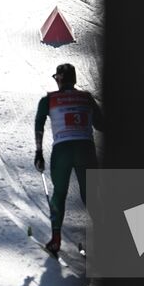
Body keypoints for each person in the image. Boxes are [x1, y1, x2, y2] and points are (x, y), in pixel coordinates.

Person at [34, 63, 103, 256]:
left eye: (56, 78)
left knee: (59, 194)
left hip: (62, 150)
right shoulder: (87, 98)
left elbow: (39, 122)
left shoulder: (49, 99)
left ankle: (56, 241)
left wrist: (39, 152)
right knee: (91, 196)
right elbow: (101, 125)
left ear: (60, 79)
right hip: (86, 149)